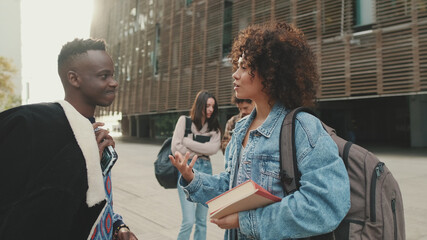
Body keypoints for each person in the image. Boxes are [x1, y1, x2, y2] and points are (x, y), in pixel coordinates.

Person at [169, 21, 350, 239]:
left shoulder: (303, 128)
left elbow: (326, 204)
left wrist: (245, 221)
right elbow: (232, 187)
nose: (235, 74)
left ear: (270, 73)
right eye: (237, 66)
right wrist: (193, 180)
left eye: (244, 67)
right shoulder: (240, 128)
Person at [0, 38, 138, 240]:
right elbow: (35, 210)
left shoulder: (94, 134)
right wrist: (83, 161)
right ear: (74, 79)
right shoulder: (40, 129)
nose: (114, 82)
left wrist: (118, 226)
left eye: (113, 75)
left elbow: (95, 200)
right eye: (104, 76)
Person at [171, 90, 221, 240]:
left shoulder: (214, 128)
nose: (211, 109)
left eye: (213, 106)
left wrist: (188, 142)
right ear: (200, 106)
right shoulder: (184, 121)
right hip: (186, 171)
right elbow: (175, 148)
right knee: (189, 220)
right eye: (207, 106)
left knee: (201, 221)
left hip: (206, 172)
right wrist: (200, 149)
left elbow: (213, 149)